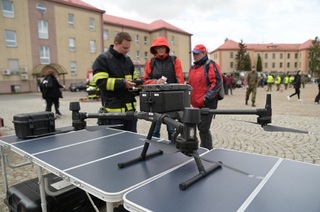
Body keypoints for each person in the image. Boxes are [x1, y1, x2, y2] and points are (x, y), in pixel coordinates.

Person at [92, 32, 140, 132]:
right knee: (114, 144)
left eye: (128, 48)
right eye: (125, 48)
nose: (127, 51)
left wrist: (139, 84)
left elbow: (134, 77)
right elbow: (101, 82)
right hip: (113, 113)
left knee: (131, 142)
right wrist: (123, 84)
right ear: (116, 44)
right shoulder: (103, 59)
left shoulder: (127, 60)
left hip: (130, 112)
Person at [143, 36, 184, 140]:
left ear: (166, 48)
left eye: (162, 47)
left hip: (171, 100)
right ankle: (155, 149)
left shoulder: (175, 60)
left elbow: (180, 80)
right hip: (155, 100)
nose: (160, 49)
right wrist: (156, 82)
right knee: (155, 129)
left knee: (171, 129)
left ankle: (174, 149)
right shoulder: (151, 62)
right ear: (155, 49)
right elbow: (145, 81)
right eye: (158, 47)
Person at [188, 44, 223, 150]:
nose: (194, 55)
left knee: (203, 128)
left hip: (207, 103)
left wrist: (205, 98)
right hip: (196, 103)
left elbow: (217, 83)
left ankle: (207, 149)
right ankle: (203, 148)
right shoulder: (193, 68)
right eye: (193, 53)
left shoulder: (211, 65)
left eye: (197, 54)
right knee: (199, 127)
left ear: (204, 53)